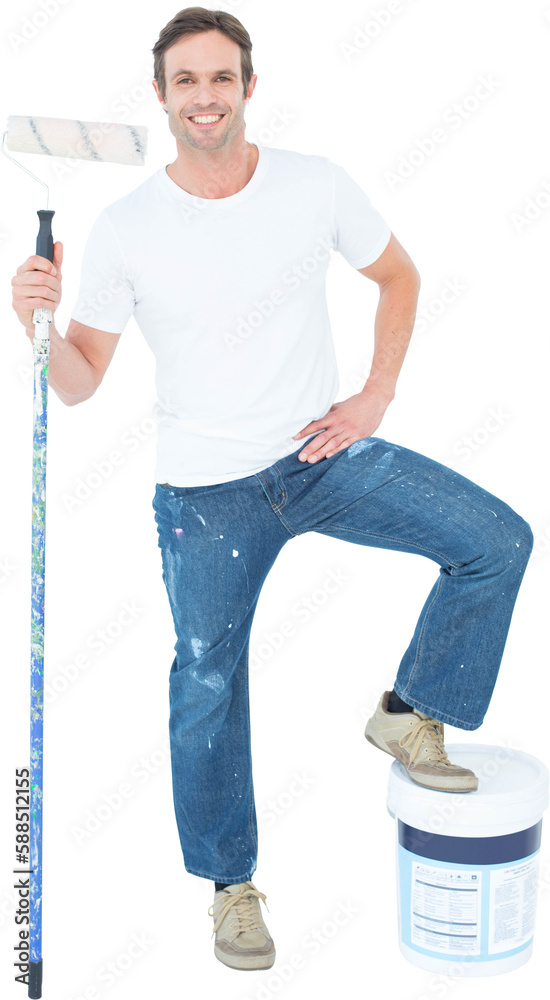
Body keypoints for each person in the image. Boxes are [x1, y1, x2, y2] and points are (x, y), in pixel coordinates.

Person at [11, 5, 534, 974]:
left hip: (318, 456)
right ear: (161, 96)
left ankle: (409, 709)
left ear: (249, 87)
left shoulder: (314, 184)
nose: (204, 97)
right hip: (204, 495)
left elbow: (399, 276)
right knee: (207, 681)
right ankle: (231, 887)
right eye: (185, 81)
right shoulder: (125, 230)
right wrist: (31, 321)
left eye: (221, 77)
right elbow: (80, 383)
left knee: (497, 541)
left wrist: (375, 395)